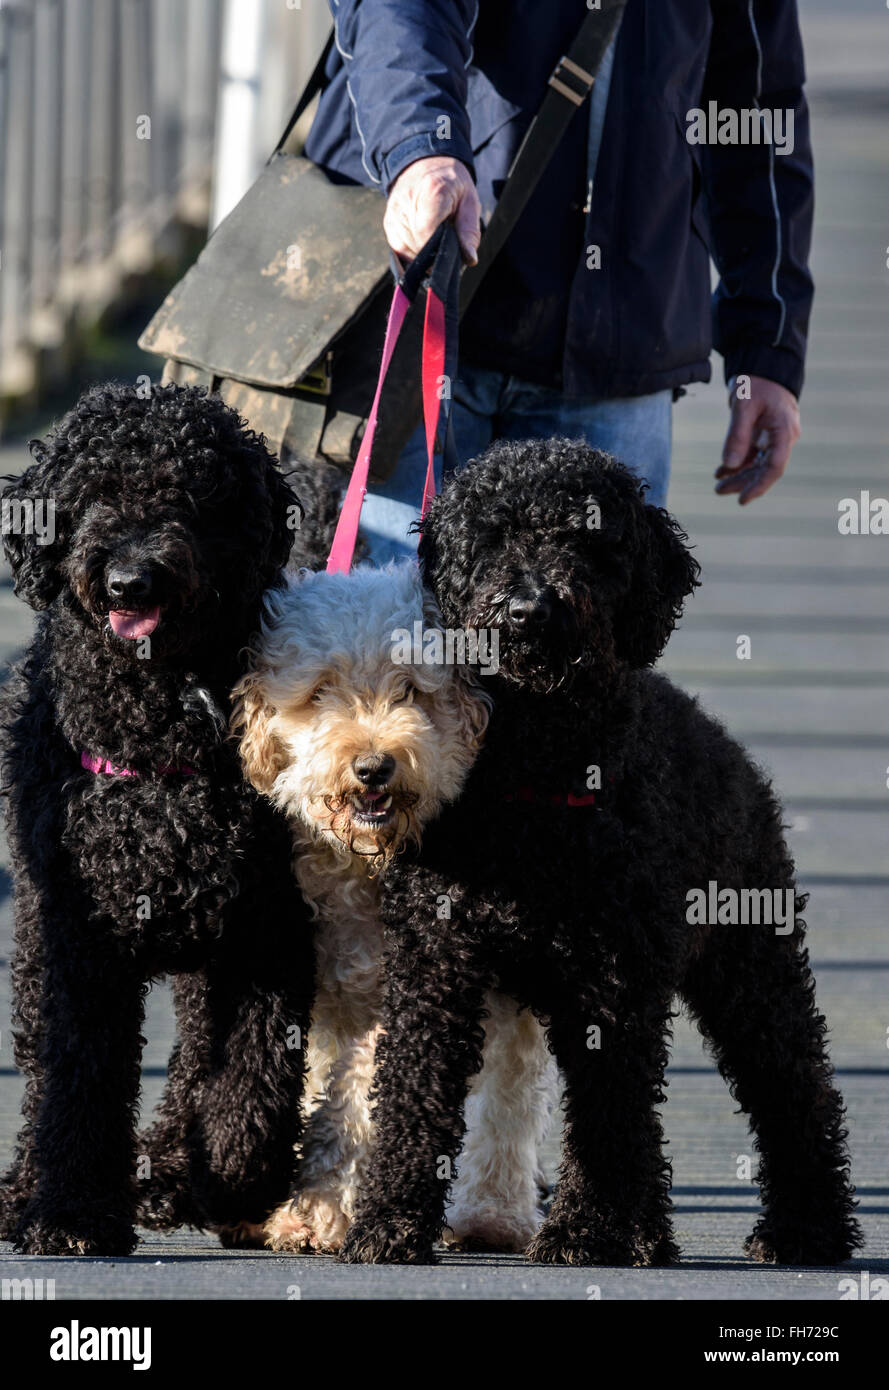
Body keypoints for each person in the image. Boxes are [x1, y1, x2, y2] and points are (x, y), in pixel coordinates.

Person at [304, 0, 811, 562]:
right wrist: (420, 148)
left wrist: (770, 344)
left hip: (619, 347)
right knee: (387, 640)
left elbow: (756, 100)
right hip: (429, 309)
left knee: (587, 639)